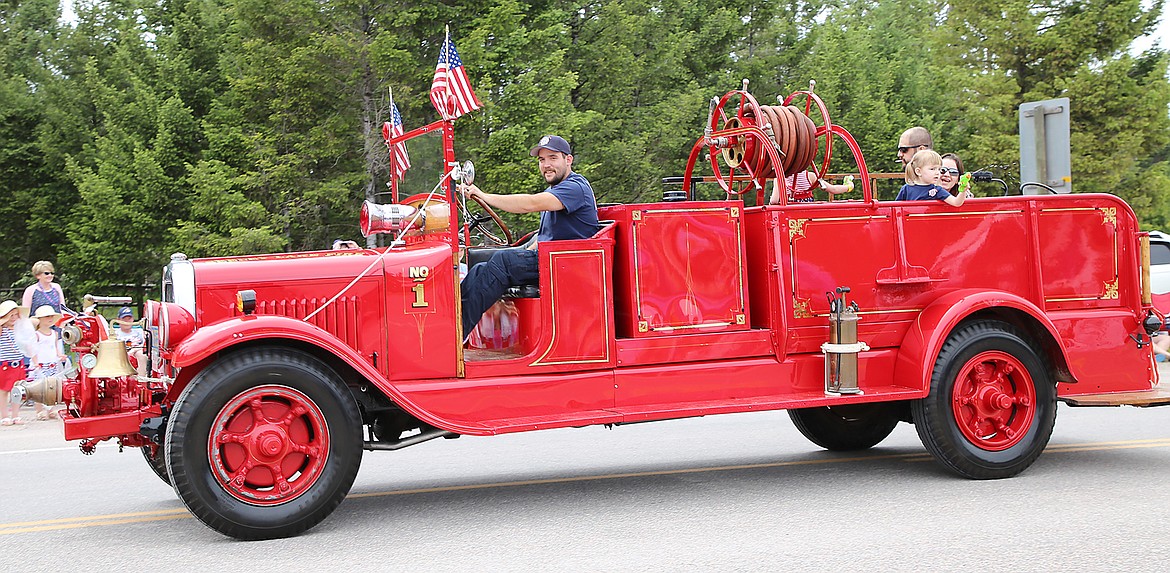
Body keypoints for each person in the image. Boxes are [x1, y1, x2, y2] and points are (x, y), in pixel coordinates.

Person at [458, 134, 598, 340]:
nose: (546, 165)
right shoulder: (556, 190)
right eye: (542, 160)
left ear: (568, 160)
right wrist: (524, 250)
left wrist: (483, 196)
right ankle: (451, 321)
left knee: (503, 261)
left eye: (553, 158)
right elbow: (547, 236)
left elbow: (530, 204)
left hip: (569, 266)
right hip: (552, 261)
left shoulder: (575, 187)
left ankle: (457, 335)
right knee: (480, 268)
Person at [27, 305, 66, 420]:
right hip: (41, 365)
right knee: (39, 389)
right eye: (47, 317)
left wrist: (59, 355)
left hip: (52, 363)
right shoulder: (37, 335)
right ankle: (40, 410)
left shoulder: (54, 333)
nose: (50, 319)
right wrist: (35, 362)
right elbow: (32, 350)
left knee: (51, 387)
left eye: (51, 317)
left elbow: (55, 347)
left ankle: (51, 409)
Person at [894, 149, 968, 207]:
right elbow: (896, 208)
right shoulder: (906, 189)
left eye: (939, 169)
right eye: (932, 169)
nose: (937, 172)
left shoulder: (937, 190)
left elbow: (956, 202)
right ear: (918, 172)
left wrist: (963, 190)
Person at [0, 301, 28, 426]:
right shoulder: (2, 330)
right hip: (5, 364)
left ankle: (16, 415)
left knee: (17, 391)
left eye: (16, 315)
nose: (13, 318)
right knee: (3, 391)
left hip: (19, 364)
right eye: (10, 315)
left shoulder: (20, 330)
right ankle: (5, 416)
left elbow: (35, 322)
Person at [769, 170, 854, 204]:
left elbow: (774, 200)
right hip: (808, 215)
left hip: (790, 218)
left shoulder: (780, 178)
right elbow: (833, 189)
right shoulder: (809, 176)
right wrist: (848, 186)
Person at [114, 306, 148, 377]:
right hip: (121, 354)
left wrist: (133, 350)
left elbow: (145, 345)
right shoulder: (114, 333)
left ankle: (141, 381)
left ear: (132, 319)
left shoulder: (139, 332)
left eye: (129, 319)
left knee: (141, 354)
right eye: (124, 319)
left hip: (136, 352)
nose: (127, 321)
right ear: (118, 320)